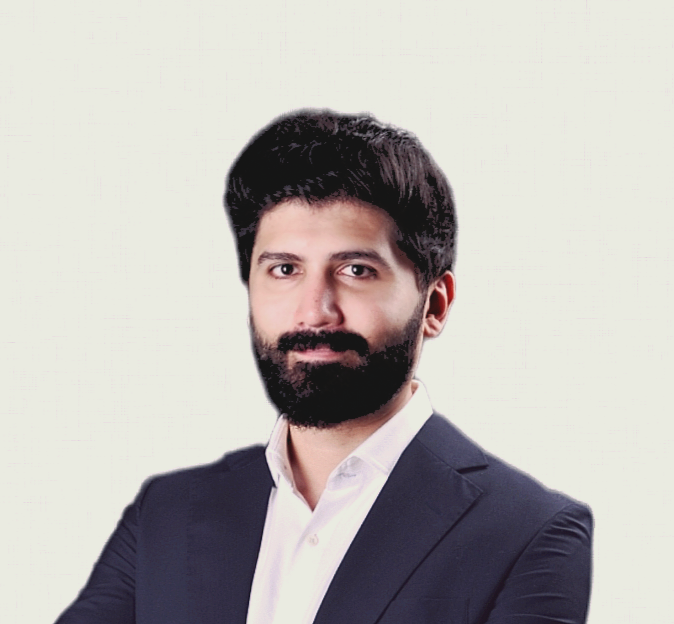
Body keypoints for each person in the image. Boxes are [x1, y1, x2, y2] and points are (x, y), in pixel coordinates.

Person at [55, 110, 593, 624]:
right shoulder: (167, 513)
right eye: (284, 269)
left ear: (434, 304)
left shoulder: (527, 533)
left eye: (356, 270)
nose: (314, 311)